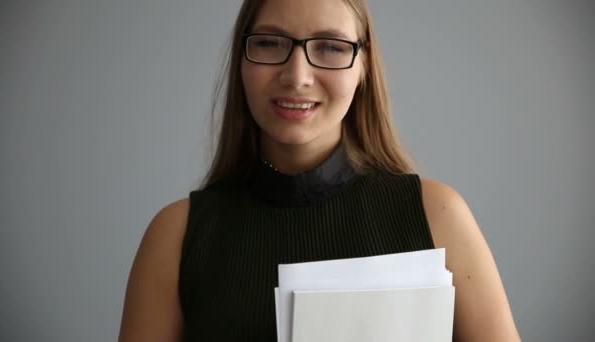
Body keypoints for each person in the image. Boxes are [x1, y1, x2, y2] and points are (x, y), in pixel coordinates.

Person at [118, 0, 521, 341]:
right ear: (242, 61)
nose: (296, 77)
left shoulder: (438, 215)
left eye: (329, 47)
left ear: (363, 67)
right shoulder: (175, 235)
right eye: (270, 43)